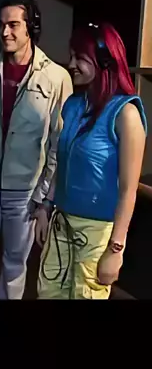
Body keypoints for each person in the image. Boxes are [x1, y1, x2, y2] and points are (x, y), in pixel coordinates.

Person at [0, 0, 73, 300]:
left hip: (24, 193)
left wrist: (44, 197)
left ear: (31, 27)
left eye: (13, 25)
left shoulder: (56, 77)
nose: (5, 32)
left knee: (14, 268)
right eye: (1, 25)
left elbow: (58, 144)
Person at [35, 22, 147, 299]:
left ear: (104, 61)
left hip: (97, 234)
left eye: (80, 58)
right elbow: (63, 163)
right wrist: (46, 206)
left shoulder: (126, 114)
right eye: (71, 56)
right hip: (61, 223)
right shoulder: (73, 104)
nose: (71, 64)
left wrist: (116, 250)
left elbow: (128, 190)